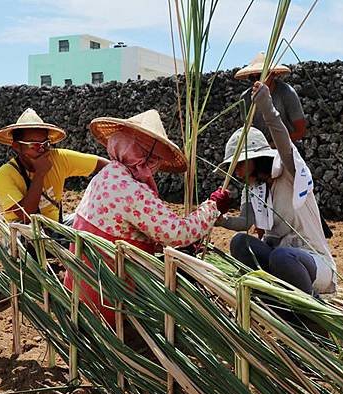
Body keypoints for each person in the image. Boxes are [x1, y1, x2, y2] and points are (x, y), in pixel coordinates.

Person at [64, 109, 230, 326]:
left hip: (80, 289)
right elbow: (177, 233)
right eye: (152, 156)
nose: (155, 163)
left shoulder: (106, 175)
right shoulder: (131, 190)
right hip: (110, 300)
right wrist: (213, 206)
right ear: (141, 154)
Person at [215, 82, 336, 297]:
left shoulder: (288, 172)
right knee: (241, 243)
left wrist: (267, 108)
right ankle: (268, 298)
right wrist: (220, 219)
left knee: (282, 257)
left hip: (310, 263)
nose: (238, 172)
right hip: (276, 259)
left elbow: (284, 142)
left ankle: (307, 312)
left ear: (255, 158)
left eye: (240, 164)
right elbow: (245, 222)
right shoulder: (253, 188)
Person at [0, 108, 108, 224]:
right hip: (24, 233)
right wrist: (40, 174)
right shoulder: (6, 174)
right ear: (17, 146)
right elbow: (25, 215)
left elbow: (101, 164)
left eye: (45, 144)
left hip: (57, 225)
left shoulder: (58, 158)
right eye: (34, 145)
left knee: (92, 220)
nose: (41, 150)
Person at [236, 52, 307, 145]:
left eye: (260, 76)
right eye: (252, 78)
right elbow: (248, 131)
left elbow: (300, 131)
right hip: (260, 150)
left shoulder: (286, 93)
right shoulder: (246, 98)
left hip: (288, 147)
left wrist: (274, 145)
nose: (257, 81)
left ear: (272, 74)